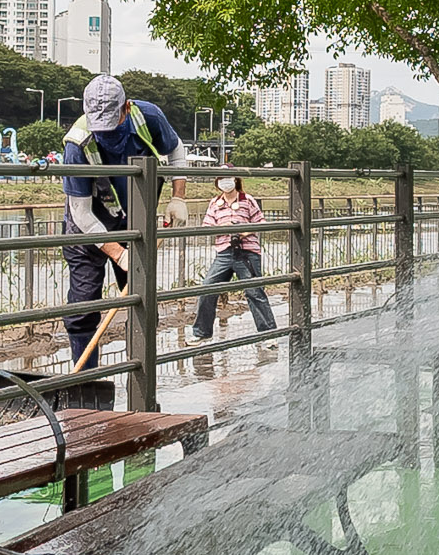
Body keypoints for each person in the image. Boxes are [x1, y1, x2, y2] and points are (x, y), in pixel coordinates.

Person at [61, 74, 190, 366]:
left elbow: (176, 149)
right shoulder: (77, 144)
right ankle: (85, 383)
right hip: (87, 227)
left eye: (112, 124)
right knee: (83, 309)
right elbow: (81, 212)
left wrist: (178, 197)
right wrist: (118, 253)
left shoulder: (149, 117)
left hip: (134, 224)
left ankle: (141, 381)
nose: (105, 133)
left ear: (126, 108)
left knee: (142, 304)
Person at [187, 175, 278, 342]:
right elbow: (206, 227)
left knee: (254, 292)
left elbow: (261, 222)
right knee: (207, 288)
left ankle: (268, 334)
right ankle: (201, 333)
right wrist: (223, 227)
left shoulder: (247, 200)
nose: (225, 182)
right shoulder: (214, 203)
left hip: (247, 252)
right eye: (221, 178)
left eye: (227, 178)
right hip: (224, 252)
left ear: (236, 180)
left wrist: (243, 231)